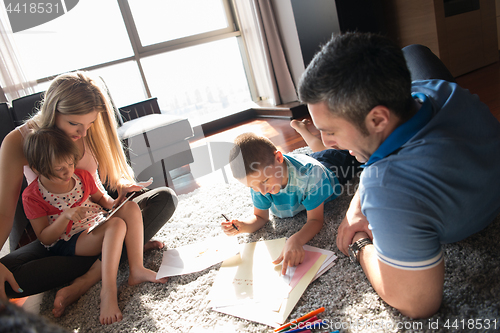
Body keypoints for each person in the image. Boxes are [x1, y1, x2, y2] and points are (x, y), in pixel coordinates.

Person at [297, 32, 500, 318]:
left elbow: (418, 304)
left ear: (378, 119)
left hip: (470, 222)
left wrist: (359, 245)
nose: (327, 142)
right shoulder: (441, 91)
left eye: (330, 131)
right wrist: (357, 203)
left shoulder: (389, 187)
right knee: (415, 52)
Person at [0, 71, 177, 317]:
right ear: (53, 111)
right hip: (60, 234)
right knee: (8, 274)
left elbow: (97, 188)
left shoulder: (87, 131)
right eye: (74, 124)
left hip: (97, 222)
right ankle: (117, 255)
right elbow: (4, 213)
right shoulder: (18, 141)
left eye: (90, 125)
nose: (82, 134)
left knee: (164, 198)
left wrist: (122, 189)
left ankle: (90, 277)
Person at [22, 128, 168, 324]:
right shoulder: (33, 196)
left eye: (71, 163)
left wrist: (121, 195)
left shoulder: (81, 176)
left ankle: (137, 269)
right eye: (59, 169)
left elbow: (104, 201)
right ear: (37, 168)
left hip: (96, 225)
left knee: (131, 208)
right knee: (115, 225)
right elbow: (45, 238)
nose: (68, 172)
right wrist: (65, 217)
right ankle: (108, 292)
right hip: (69, 239)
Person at [223, 132, 360, 274]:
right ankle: (304, 131)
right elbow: (261, 217)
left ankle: (306, 132)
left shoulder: (312, 175)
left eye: (265, 181)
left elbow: (315, 220)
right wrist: (243, 226)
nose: (262, 191)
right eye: (253, 187)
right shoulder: (259, 183)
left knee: (353, 155)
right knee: (320, 152)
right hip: (298, 163)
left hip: (331, 168)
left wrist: (296, 240)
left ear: (278, 158)